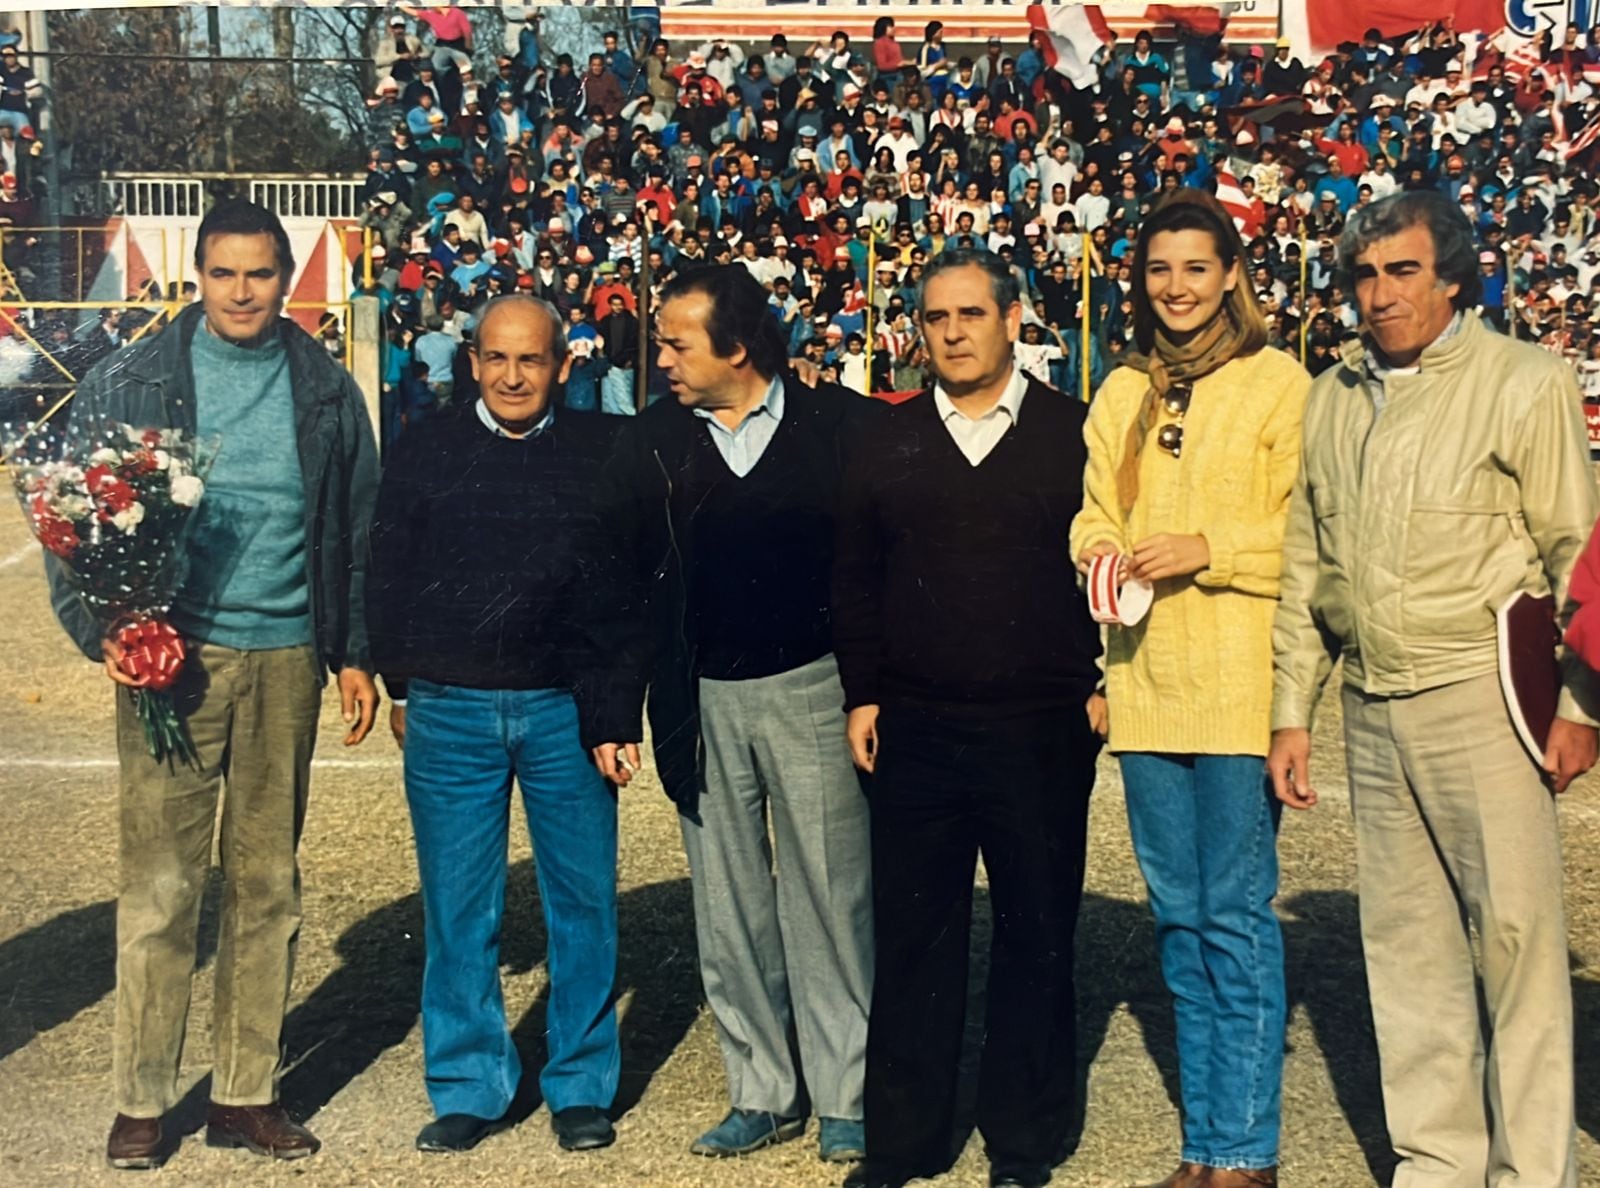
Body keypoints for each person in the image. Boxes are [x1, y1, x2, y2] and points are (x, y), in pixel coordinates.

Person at [1269, 190, 1599, 1188]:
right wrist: (1292, 710)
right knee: (1406, 953)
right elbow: (1304, 568)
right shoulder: (1331, 395)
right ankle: (1436, 1164)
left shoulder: (1524, 380)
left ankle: (1530, 1174)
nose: (1380, 294)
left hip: (1482, 696)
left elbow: (1575, 553)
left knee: (1516, 948)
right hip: (1371, 704)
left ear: (1450, 276)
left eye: (1402, 271)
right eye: (1364, 276)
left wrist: (1581, 707)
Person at [44, 199, 380, 1170]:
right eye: (225, 273)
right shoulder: (132, 379)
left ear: (288, 279)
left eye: (261, 273)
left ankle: (245, 1092)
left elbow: (358, 531)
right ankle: (142, 1100)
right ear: (197, 275)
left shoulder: (324, 388)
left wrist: (353, 651)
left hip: (285, 663)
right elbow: (73, 522)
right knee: (161, 889)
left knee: (267, 886)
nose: (242, 291)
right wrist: (107, 629)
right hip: (172, 665)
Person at [833, 248, 1102, 1188]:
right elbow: (854, 578)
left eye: (970, 315)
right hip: (918, 726)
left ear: (1012, 318)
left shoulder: (1077, 432)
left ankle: (1023, 1141)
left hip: (1041, 727)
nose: (951, 333)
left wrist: (1104, 675)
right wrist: (862, 691)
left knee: (1037, 934)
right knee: (915, 940)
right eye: (936, 317)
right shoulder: (887, 438)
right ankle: (903, 1142)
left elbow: (1108, 565)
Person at [605, 264, 879, 1165]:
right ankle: (762, 1090)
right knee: (728, 907)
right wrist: (619, 708)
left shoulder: (840, 428)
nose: (665, 360)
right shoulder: (649, 444)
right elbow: (626, 591)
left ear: (740, 345)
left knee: (829, 894)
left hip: (814, 690)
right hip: (700, 699)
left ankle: (846, 1091)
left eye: (680, 343)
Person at [1069, 191, 1311, 1188]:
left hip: (1236, 687)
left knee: (1235, 915)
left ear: (1230, 277)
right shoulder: (1121, 390)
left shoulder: (1279, 384)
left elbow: (1305, 538)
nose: (1176, 287)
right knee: (1177, 917)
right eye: (1159, 269)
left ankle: (1243, 1148)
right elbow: (1091, 515)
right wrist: (1105, 561)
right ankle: (1201, 1143)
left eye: (1195, 268)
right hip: (1144, 685)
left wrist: (1207, 549)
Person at [368, 294, 642, 1156]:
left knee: (582, 901)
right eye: (496, 359)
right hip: (450, 710)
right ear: (472, 363)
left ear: (565, 365)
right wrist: (403, 686)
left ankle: (580, 1082)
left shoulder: (605, 451)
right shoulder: (425, 449)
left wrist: (609, 709)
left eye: (532, 360)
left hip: (565, 712)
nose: (513, 376)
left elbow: (621, 596)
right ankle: (469, 1082)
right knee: (458, 908)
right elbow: (389, 570)